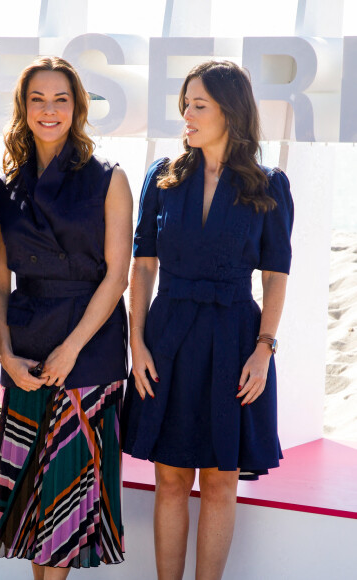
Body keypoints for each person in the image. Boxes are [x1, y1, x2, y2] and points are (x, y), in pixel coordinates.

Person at [121, 60, 294, 579]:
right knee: (171, 479)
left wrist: (265, 350)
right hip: (167, 335)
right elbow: (143, 266)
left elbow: (276, 277)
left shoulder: (269, 184)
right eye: (185, 105)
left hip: (236, 339)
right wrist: (138, 344)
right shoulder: (164, 177)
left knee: (220, 481)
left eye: (200, 105)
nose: (187, 116)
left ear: (231, 112)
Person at [0, 56, 132, 579]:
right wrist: (4, 354)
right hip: (24, 351)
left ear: (77, 107)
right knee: (33, 504)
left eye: (61, 99)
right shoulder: (7, 189)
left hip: (90, 350)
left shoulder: (109, 179)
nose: (49, 110)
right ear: (23, 108)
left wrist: (71, 349)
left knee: (66, 504)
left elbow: (117, 278)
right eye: (37, 99)